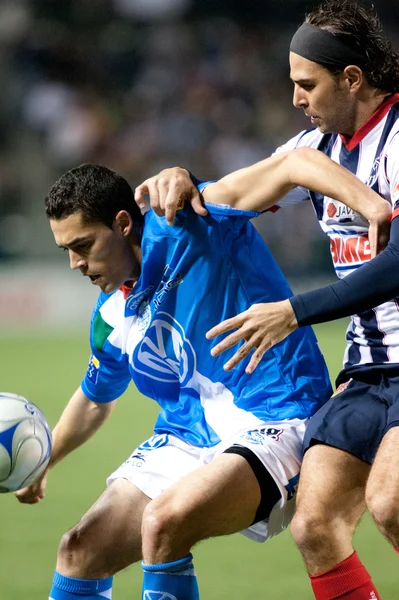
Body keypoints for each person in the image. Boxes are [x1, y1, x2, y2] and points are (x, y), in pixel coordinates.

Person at [15, 148, 389, 600]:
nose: (75, 264)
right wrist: (44, 459)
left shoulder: (194, 217)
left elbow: (294, 165)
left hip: (276, 416)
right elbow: (96, 397)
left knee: (164, 522)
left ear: (122, 223)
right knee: (78, 551)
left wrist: (374, 208)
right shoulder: (111, 316)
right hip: (186, 438)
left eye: (83, 246)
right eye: (66, 251)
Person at [133, 2, 399, 598]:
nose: (297, 99)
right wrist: (181, 180)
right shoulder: (316, 148)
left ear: (351, 79)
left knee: (390, 502)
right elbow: (220, 201)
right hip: (367, 372)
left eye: (308, 85)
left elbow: (397, 267)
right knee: (313, 524)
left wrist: (294, 311)